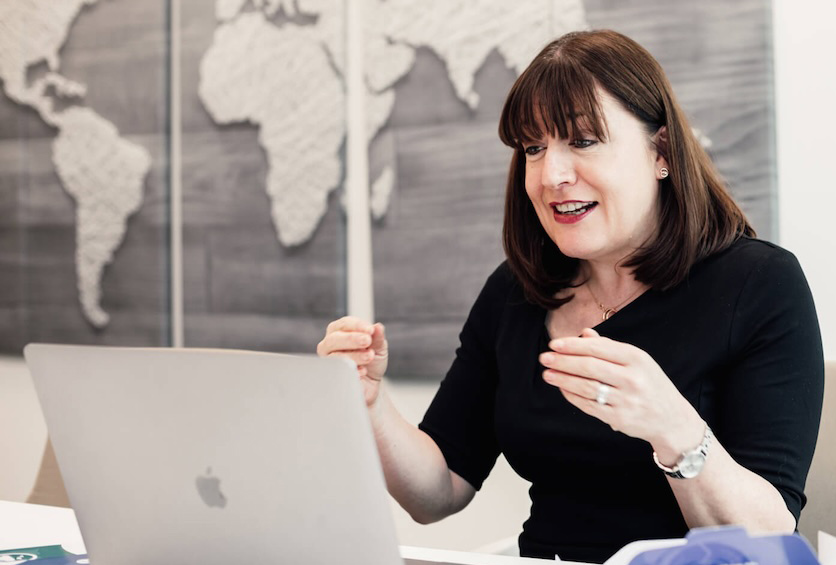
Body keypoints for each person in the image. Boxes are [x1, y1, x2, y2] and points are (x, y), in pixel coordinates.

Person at [316, 29, 824, 563]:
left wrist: (672, 429)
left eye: (582, 141)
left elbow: (770, 534)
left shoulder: (761, 285)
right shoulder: (515, 292)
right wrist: (369, 405)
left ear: (663, 153)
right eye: (534, 148)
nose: (551, 174)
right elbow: (438, 488)